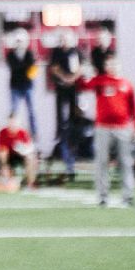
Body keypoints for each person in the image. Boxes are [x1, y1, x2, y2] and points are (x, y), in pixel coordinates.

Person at [78, 54, 135, 208]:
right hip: (103, 128)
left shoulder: (127, 84)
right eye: (109, 64)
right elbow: (84, 86)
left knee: (126, 162)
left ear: (119, 66)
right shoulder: (100, 81)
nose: (112, 67)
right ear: (106, 67)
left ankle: (128, 196)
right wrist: (82, 72)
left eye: (115, 64)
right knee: (101, 162)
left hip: (123, 128)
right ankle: (103, 196)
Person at [47, 29, 83, 179]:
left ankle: (74, 142)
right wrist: (65, 78)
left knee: (74, 121)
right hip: (61, 91)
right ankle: (61, 137)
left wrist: (72, 79)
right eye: (63, 38)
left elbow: (80, 69)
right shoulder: (56, 52)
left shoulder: (76, 52)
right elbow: (54, 68)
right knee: (61, 123)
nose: (65, 41)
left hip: (73, 91)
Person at [4, 30, 38, 138]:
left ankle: (34, 133)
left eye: (21, 41)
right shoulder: (10, 55)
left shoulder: (29, 53)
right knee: (14, 111)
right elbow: (15, 66)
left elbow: (31, 69)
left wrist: (23, 66)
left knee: (31, 110)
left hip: (27, 86)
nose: (19, 43)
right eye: (17, 41)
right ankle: (13, 133)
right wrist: (24, 66)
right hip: (15, 86)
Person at [0, 114, 37, 191]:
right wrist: (4, 164)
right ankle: (6, 178)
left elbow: (29, 149)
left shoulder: (23, 133)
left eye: (14, 122)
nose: (13, 124)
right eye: (11, 122)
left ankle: (31, 184)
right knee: (3, 153)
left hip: (20, 156)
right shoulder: (3, 132)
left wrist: (23, 150)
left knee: (31, 158)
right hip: (9, 156)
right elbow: (1, 149)